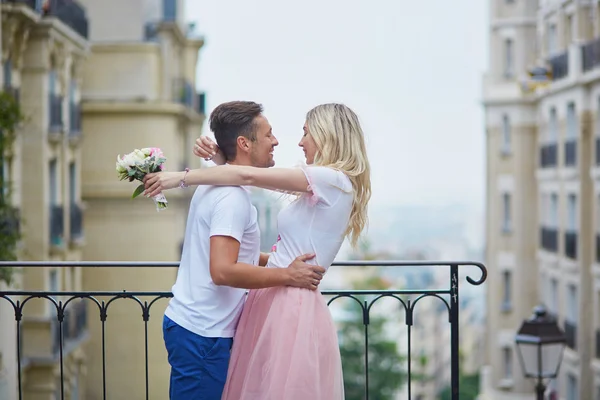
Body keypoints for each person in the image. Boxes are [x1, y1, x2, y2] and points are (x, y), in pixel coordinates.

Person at [144, 103, 371, 400]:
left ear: (328, 136)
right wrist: (221, 157)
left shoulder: (332, 180)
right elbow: (249, 184)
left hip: (288, 299)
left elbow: (248, 176)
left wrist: (181, 178)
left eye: (306, 133)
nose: (298, 142)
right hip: (275, 293)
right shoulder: (327, 183)